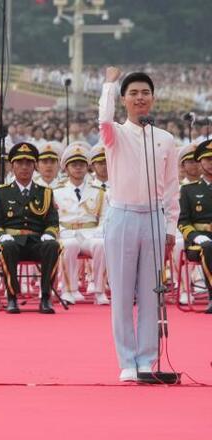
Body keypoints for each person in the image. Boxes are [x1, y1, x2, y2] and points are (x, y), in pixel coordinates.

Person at [98, 67, 180, 382]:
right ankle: (127, 361)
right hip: (122, 216)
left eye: (145, 93)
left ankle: (147, 359)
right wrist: (109, 84)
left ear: (153, 98)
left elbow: (171, 187)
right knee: (121, 293)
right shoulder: (115, 134)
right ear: (124, 100)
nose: (140, 98)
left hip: (154, 218)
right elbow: (104, 118)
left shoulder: (165, 139)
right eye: (133, 93)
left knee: (151, 293)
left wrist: (170, 226)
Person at [0, 142, 61, 314]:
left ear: (35, 166)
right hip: (13, 242)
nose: (24, 167)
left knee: (53, 246)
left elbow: (52, 222)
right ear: (12, 166)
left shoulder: (45, 192)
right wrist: (2, 235)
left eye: (29, 163)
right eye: (20, 163)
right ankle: (12, 297)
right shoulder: (1, 192)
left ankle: (45, 297)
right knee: (7, 247)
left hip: (36, 241)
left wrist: (49, 234)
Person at [53, 143, 109, 305]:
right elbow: (53, 218)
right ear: (66, 168)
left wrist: (99, 231)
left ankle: (99, 291)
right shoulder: (56, 192)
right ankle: (68, 290)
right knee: (69, 245)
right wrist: (61, 231)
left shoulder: (98, 191)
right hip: (66, 233)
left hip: (90, 234)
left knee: (101, 244)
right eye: (74, 165)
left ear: (87, 167)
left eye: (82, 165)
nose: (78, 168)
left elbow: (105, 217)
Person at [176, 139, 212, 313]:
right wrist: (196, 236)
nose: (211, 163)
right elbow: (183, 221)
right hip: (199, 240)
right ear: (200, 163)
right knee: (209, 248)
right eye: (208, 160)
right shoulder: (188, 190)